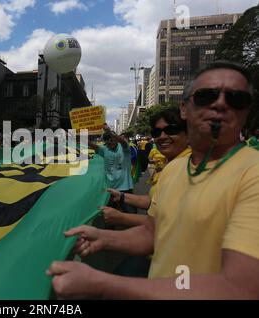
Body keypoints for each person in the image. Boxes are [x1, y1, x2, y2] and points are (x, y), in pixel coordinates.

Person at [48, 60, 259, 299]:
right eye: (206, 96)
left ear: (246, 111)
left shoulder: (252, 174)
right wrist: (103, 238)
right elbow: (153, 232)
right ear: (184, 109)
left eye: (236, 98)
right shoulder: (175, 168)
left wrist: (101, 282)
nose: (220, 103)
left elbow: (241, 288)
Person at [104, 107, 191, 227]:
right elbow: (156, 202)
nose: (162, 136)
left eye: (171, 130)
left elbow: (168, 221)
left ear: (189, 134)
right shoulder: (170, 165)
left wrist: (122, 217)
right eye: (156, 132)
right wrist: (122, 196)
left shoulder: (188, 167)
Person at [89, 131, 137, 214]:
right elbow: (95, 146)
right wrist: (81, 138)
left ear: (116, 139)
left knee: (131, 212)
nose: (110, 142)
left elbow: (123, 142)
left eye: (112, 139)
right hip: (110, 187)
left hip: (125, 188)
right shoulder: (105, 149)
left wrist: (110, 131)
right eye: (107, 140)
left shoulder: (124, 148)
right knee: (108, 213)